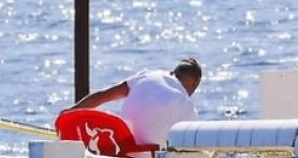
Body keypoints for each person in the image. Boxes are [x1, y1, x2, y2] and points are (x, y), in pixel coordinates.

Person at [64, 58, 202, 146]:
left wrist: (70, 112)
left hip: (120, 151)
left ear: (173, 72)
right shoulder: (184, 103)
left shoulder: (146, 76)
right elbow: (195, 144)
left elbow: (104, 95)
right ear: (195, 83)